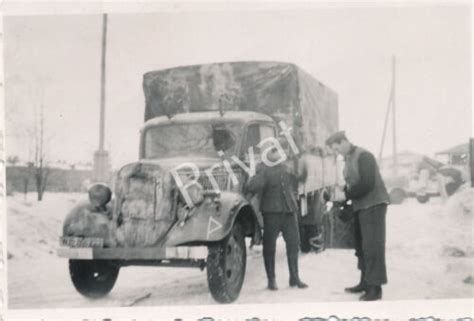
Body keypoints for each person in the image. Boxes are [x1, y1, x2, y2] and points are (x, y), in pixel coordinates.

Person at [326, 131, 390, 301]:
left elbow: (367, 183)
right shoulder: (348, 159)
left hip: (374, 205)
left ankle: (375, 289)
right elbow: (353, 184)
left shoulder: (364, 156)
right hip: (361, 206)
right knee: (361, 246)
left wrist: (346, 195)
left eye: (336, 147)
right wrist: (342, 193)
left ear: (344, 141)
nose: (336, 151)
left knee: (372, 246)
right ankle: (365, 282)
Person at [245, 138, 308, 291]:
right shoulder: (262, 169)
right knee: (269, 247)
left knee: (294, 245)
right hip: (271, 213)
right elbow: (251, 186)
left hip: (289, 212)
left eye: (277, 150)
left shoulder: (286, 167)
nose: (277, 153)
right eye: (273, 151)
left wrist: (304, 167)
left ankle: (294, 278)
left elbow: (299, 179)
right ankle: (271, 280)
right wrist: (261, 175)